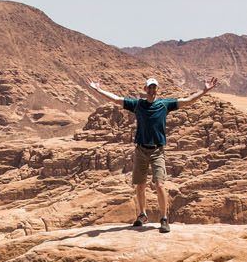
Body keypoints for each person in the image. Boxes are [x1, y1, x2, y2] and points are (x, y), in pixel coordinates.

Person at [86, 75, 219, 232]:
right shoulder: (137, 105)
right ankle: (142, 215)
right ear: (145, 89)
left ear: (157, 89)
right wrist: (98, 89)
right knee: (140, 185)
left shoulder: (164, 104)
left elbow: (187, 101)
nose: (152, 90)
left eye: (154, 87)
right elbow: (116, 99)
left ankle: (164, 219)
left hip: (157, 150)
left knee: (160, 184)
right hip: (141, 149)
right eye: (150, 87)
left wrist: (204, 91)